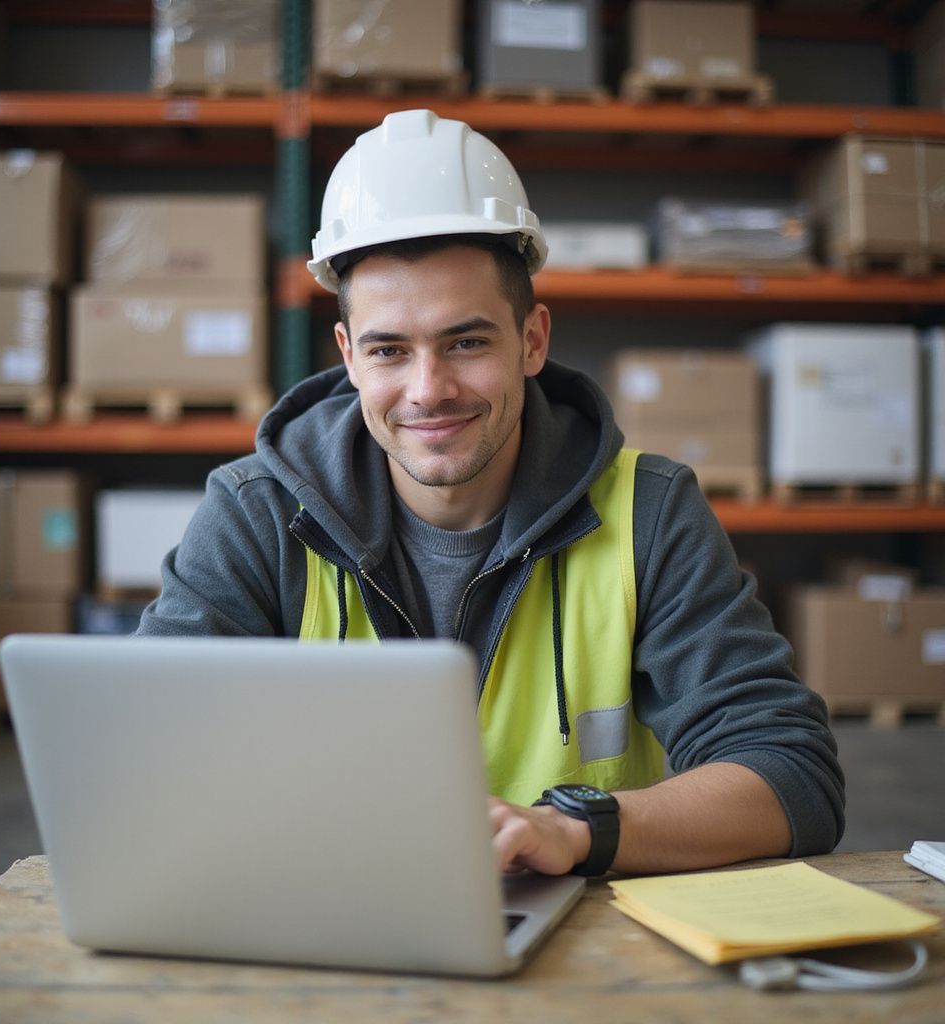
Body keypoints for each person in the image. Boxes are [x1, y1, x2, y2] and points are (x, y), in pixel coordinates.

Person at [137, 108, 845, 879]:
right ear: (348, 357)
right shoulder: (258, 513)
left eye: (466, 342)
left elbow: (790, 776)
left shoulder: (648, 510)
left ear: (533, 340)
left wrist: (573, 831)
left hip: (585, 935)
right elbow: (142, 758)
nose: (428, 390)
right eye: (389, 351)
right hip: (328, 910)